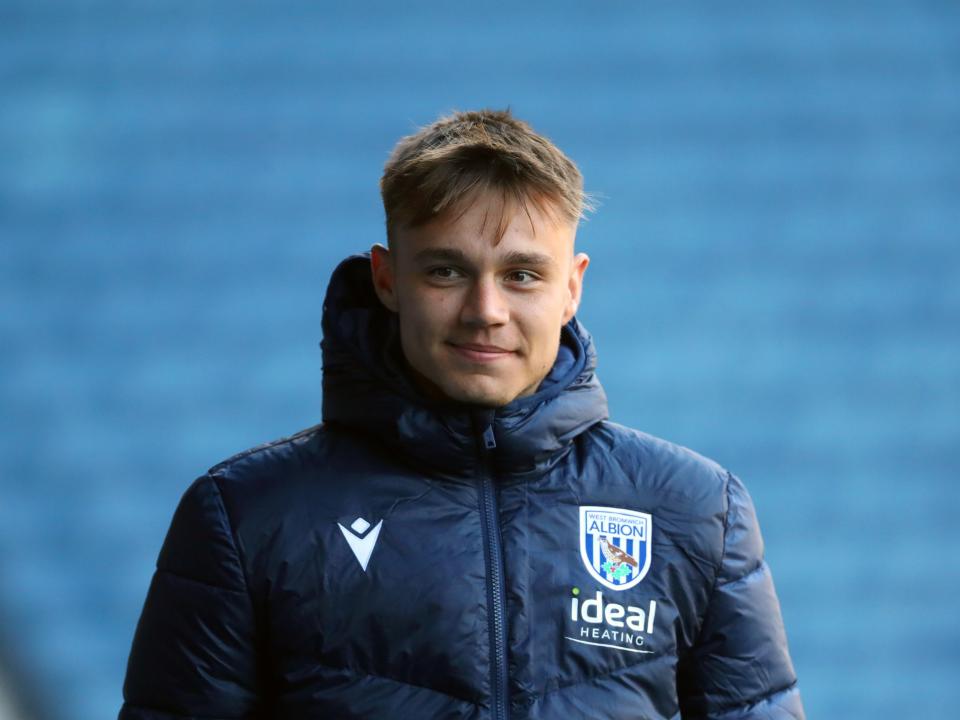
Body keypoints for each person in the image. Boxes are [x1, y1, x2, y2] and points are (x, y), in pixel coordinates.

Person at [119, 108, 805, 719]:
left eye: (522, 275)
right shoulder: (247, 516)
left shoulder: (696, 510)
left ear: (572, 287)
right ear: (387, 279)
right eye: (446, 271)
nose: (485, 311)